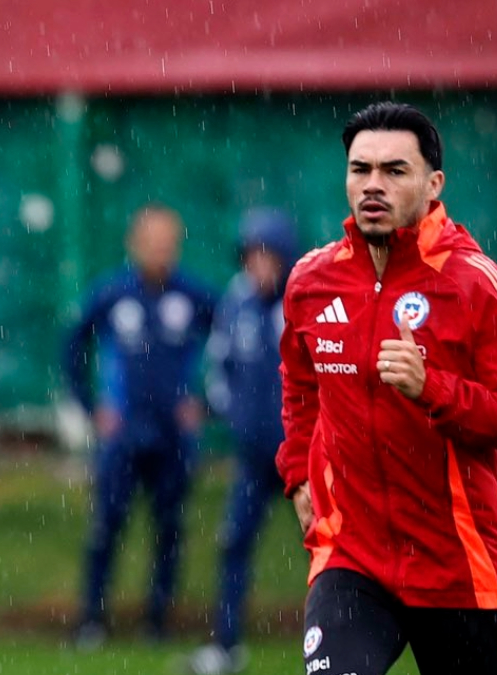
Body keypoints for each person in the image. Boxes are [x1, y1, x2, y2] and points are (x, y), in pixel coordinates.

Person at [276, 101, 497, 675]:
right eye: (360, 169)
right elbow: (302, 387)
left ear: (433, 184)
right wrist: (299, 471)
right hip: (350, 555)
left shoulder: (477, 284)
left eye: (394, 171)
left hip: (455, 564)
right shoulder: (310, 281)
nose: (373, 185)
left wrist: (434, 388)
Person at [62, 203, 217, 647]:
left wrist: (205, 404)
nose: (159, 251)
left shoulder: (194, 295)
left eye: (168, 243)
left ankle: (157, 621)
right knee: (106, 525)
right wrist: (91, 407)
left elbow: (235, 343)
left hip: (174, 438)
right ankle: (91, 619)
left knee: (169, 528)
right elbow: (72, 344)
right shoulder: (112, 294)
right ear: (134, 244)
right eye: (151, 242)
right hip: (123, 435)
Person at [187, 208, 298, 675]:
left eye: (266, 255)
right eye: (250, 256)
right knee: (234, 545)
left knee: (331, 553)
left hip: (302, 459)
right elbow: (218, 370)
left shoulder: (303, 302)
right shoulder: (236, 304)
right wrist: (234, 416)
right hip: (253, 458)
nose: (257, 265)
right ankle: (227, 645)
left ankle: (342, 648)